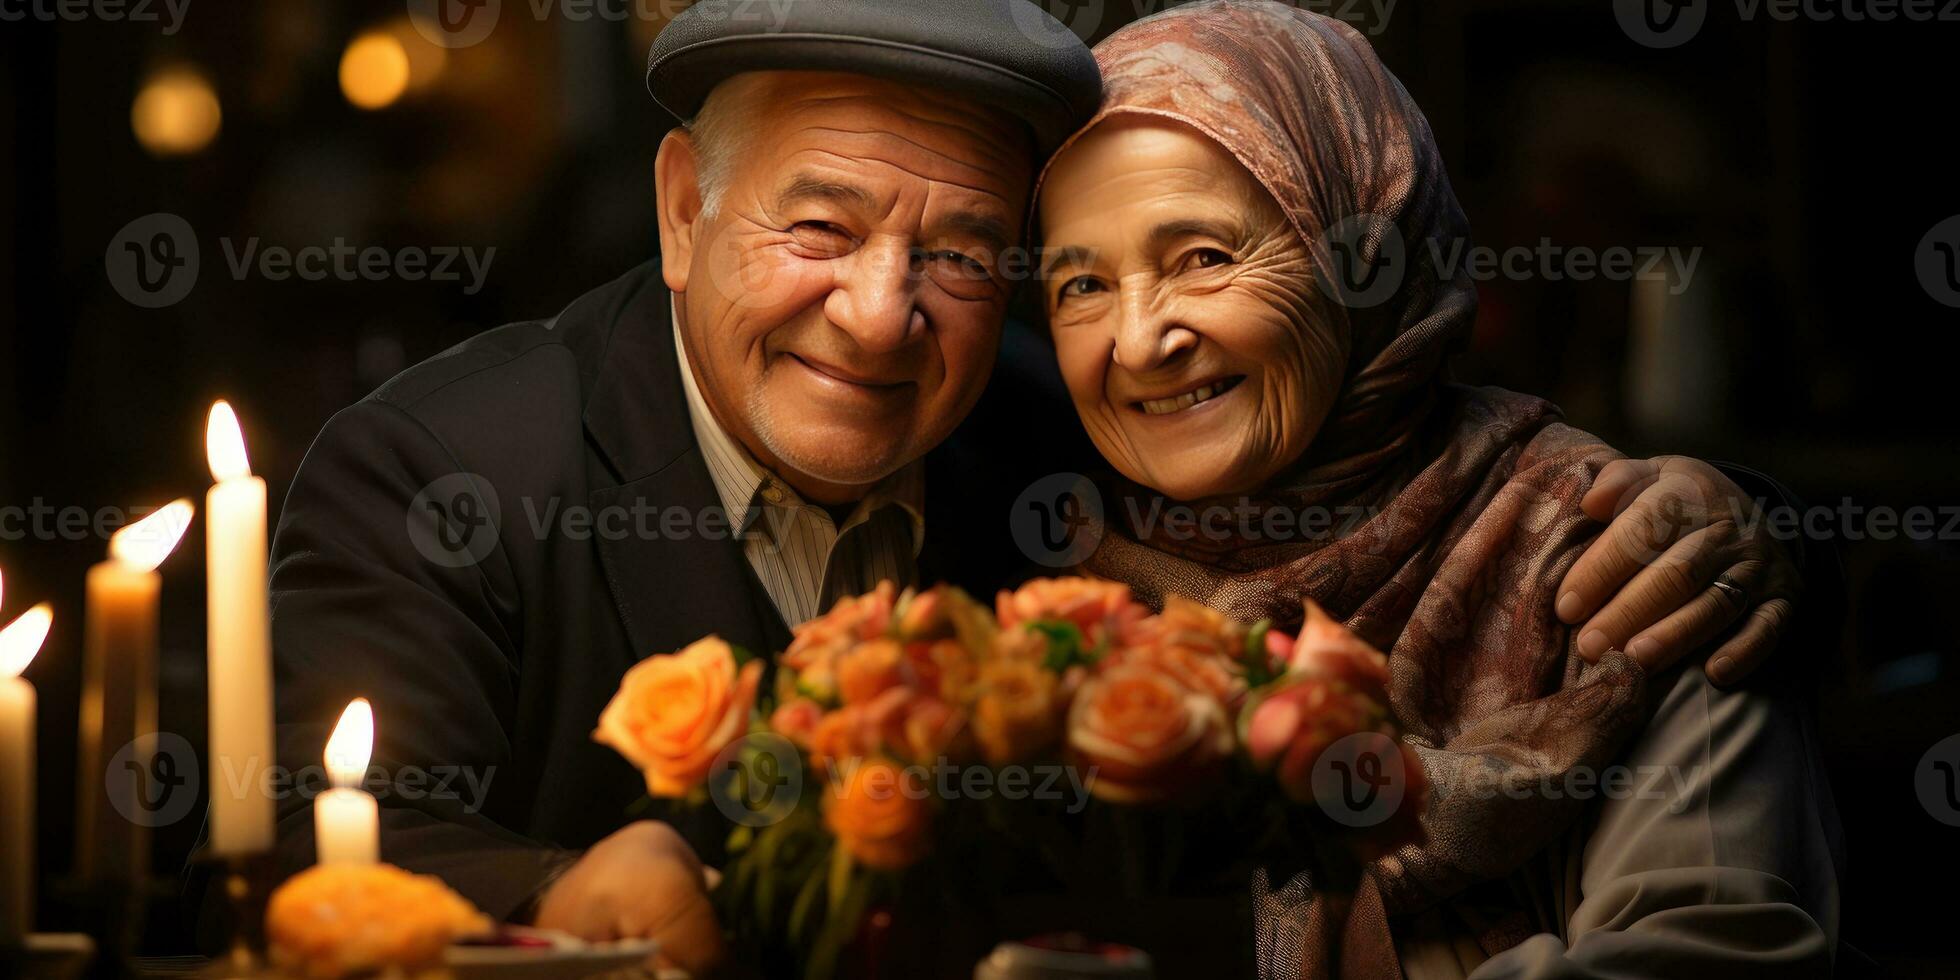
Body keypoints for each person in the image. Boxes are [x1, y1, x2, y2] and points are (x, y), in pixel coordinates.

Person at [247, 0, 1804, 973]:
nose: (881, 311)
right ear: (677, 212)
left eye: (963, 253)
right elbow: (307, 852)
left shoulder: (1064, 450)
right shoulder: (445, 470)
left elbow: (1384, 454)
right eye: (819, 227)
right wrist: (579, 883)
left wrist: (1731, 511)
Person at [1031, 2, 1836, 976]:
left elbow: (1712, 955)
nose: (1137, 339)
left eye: (1202, 257)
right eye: (1080, 284)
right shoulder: (1043, 576)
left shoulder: (1616, 557)